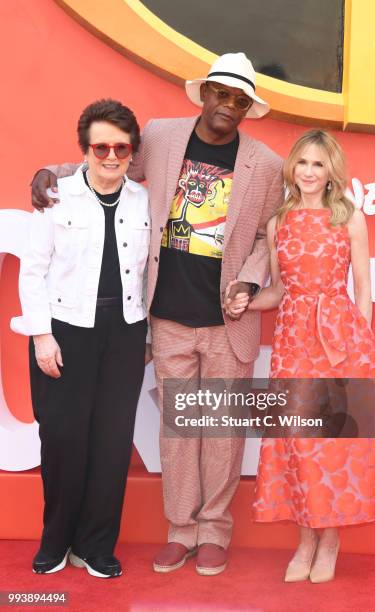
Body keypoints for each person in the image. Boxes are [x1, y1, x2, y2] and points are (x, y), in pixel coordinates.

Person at [29, 53, 284, 575]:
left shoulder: (267, 164)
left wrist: (252, 279)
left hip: (227, 322)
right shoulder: (163, 137)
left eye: (239, 99)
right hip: (164, 317)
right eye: (221, 93)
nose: (227, 106)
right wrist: (48, 172)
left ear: (248, 108)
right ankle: (181, 529)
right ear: (205, 93)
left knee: (219, 431)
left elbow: (266, 236)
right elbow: (106, 167)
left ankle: (214, 530)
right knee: (178, 429)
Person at [226, 129, 375, 583]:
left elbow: (364, 290)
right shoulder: (278, 223)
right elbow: (278, 290)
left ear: (331, 171)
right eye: (302, 163)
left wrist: (358, 346)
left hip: (339, 340)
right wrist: (246, 301)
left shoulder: (348, 217)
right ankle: (306, 538)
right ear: (293, 167)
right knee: (299, 442)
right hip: (293, 342)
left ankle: (329, 540)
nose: (309, 172)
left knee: (332, 444)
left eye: (318, 164)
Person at [12, 99, 150, 578]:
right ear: (85, 150)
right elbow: (33, 271)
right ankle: (56, 541)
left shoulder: (143, 200)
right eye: (101, 146)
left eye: (121, 147)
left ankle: (95, 546)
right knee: (65, 440)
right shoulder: (56, 195)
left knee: (112, 444)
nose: (111, 156)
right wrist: (42, 337)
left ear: (133, 150)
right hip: (66, 331)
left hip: (126, 333)